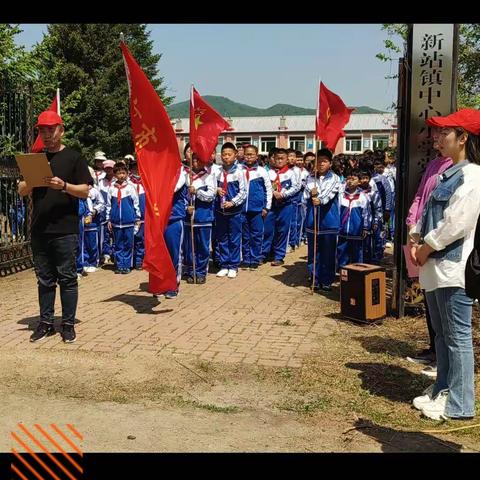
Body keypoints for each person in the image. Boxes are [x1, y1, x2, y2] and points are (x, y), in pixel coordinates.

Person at [410, 108, 480, 421]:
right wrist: (416, 238)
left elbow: (458, 223)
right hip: (435, 266)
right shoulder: (449, 171)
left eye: (445, 132)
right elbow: (429, 212)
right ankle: (442, 389)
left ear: (463, 138)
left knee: (457, 337)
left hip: (453, 267)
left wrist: (426, 246)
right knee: (442, 335)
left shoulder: (473, 175)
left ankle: (460, 403)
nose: (438, 137)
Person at [18, 110, 92, 343]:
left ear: (61, 130)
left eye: (51, 129)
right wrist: (31, 182)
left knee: (67, 278)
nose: (47, 134)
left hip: (65, 229)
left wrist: (64, 185)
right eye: (42, 130)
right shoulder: (35, 158)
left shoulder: (74, 158)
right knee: (44, 280)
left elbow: (86, 191)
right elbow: (21, 190)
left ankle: (68, 324)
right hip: (40, 229)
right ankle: (46, 322)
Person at [404, 137, 453, 372]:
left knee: (442, 299)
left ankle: (442, 358)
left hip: (437, 241)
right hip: (419, 234)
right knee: (427, 291)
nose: (437, 137)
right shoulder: (434, 164)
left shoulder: (459, 169)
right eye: (436, 132)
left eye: (444, 133)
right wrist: (412, 221)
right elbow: (420, 195)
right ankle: (433, 348)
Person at [303, 148, 341, 291]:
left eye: (324, 161)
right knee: (313, 252)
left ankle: (326, 279)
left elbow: (329, 194)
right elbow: (306, 193)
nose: (320, 164)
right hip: (313, 220)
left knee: (328, 252)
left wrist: (319, 198)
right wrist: (311, 193)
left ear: (330, 163)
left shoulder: (335, 178)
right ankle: (314, 278)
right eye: (318, 161)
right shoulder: (309, 177)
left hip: (328, 221)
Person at [261, 148, 300, 266]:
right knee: (267, 230)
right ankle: (264, 254)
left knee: (282, 230)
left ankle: (279, 256)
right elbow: (266, 185)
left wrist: (283, 194)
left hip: (285, 205)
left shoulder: (291, 172)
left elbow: (296, 187)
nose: (279, 161)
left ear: (287, 160)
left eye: (282, 159)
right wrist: (273, 193)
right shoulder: (269, 172)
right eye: (277, 158)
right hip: (271, 205)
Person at [214, 142, 247, 278]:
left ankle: (233, 265)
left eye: (229, 154)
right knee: (222, 237)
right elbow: (211, 187)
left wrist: (233, 202)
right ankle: (224, 264)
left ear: (235, 156)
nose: (226, 157)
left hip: (234, 211)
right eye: (224, 154)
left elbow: (243, 192)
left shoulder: (239, 172)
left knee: (234, 237)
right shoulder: (217, 172)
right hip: (220, 210)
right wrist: (216, 189)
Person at [183, 154, 216, 283]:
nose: (196, 162)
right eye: (193, 160)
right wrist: (186, 207)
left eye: (199, 160)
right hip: (189, 218)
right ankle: (191, 271)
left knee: (203, 247)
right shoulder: (186, 177)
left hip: (203, 217)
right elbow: (181, 197)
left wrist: (197, 192)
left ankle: (201, 272)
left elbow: (211, 196)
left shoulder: (209, 177)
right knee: (190, 247)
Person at [106, 162, 141, 274]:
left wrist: (137, 218)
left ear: (127, 174)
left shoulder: (131, 188)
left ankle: (127, 265)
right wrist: (109, 219)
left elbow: (136, 203)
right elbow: (108, 205)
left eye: (123, 173)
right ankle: (119, 265)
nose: (121, 175)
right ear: (115, 174)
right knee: (118, 244)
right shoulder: (111, 189)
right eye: (119, 173)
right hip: (116, 222)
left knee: (128, 244)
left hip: (129, 221)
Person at [241, 145, 272, 269]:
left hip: (257, 209)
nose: (249, 157)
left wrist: (266, 207)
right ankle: (246, 258)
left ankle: (254, 259)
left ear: (256, 156)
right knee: (245, 235)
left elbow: (268, 190)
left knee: (256, 235)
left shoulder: (262, 171)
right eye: (247, 154)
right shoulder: (239, 169)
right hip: (242, 209)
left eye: (251, 154)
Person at [336, 170, 371, 268]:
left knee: (357, 256)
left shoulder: (363, 197)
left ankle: (357, 277)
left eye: (353, 179)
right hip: (342, 231)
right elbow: (338, 212)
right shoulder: (341, 196)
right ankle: (343, 276)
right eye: (348, 179)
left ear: (359, 182)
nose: (350, 181)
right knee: (341, 254)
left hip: (356, 232)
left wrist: (365, 227)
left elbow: (366, 214)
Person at [128, 158, 145, 270]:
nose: (136, 170)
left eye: (138, 168)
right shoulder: (128, 183)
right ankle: (130, 260)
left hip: (144, 213)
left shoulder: (146, 181)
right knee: (131, 237)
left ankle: (139, 260)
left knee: (141, 237)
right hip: (131, 213)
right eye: (134, 168)